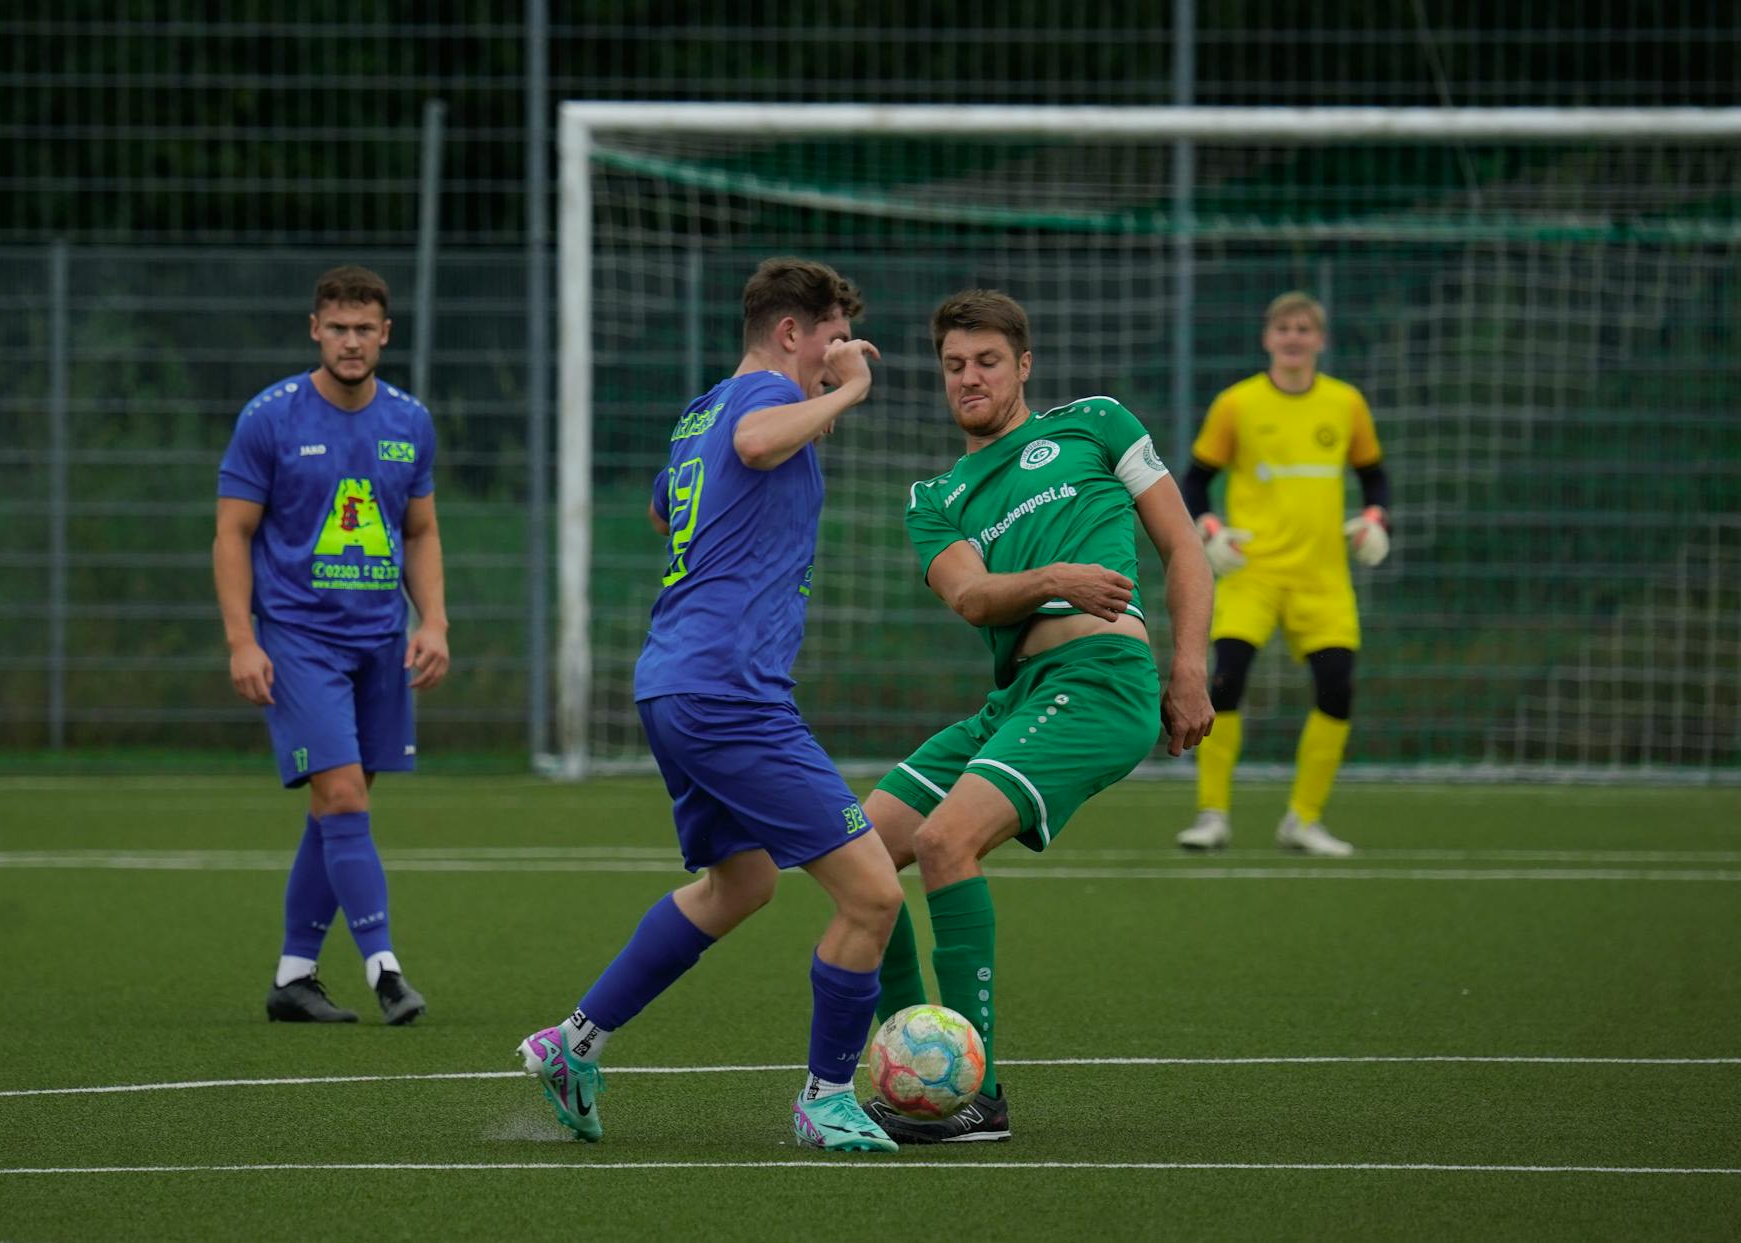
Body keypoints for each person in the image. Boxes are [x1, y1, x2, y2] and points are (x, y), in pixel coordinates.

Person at [516, 257, 905, 1153]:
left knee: (742, 882)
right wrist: (848, 394)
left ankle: (573, 1043)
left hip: (675, 681)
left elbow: (668, 509)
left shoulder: (703, 410)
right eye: (833, 336)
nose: (842, 354)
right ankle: (827, 1098)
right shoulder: (754, 410)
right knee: (875, 893)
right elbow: (760, 446)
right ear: (789, 333)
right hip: (730, 691)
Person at [856, 289, 1215, 1143]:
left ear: (1023, 364)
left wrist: (1191, 667)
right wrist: (1058, 577)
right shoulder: (934, 496)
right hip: (1016, 695)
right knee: (858, 855)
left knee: (944, 842)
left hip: (1098, 681)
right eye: (953, 365)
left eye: (986, 361)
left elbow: (1184, 547)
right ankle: (927, 1069)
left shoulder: (1097, 423)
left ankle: (977, 1097)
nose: (969, 378)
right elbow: (974, 598)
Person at [213, 264, 449, 1025]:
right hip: (298, 640)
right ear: (315, 330)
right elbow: (232, 533)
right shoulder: (270, 418)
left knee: (336, 806)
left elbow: (420, 530)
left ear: (386, 333)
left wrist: (433, 622)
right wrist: (242, 639)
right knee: (342, 795)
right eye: (337, 328)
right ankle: (386, 969)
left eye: (364, 328)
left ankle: (293, 976)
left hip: (379, 640)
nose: (351, 342)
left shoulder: (410, 420)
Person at [1176, 291, 1391, 857]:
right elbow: (1194, 480)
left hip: (1323, 579)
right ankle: (1212, 814)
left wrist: (1374, 520)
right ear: (1268, 338)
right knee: (1225, 681)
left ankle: (1304, 819)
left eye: (1304, 329)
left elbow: (1375, 477)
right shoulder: (1237, 405)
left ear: (1320, 340)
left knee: (1337, 688)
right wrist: (1210, 531)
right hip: (1253, 574)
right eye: (1284, 328)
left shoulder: (1346, 404)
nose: (1294, 338)